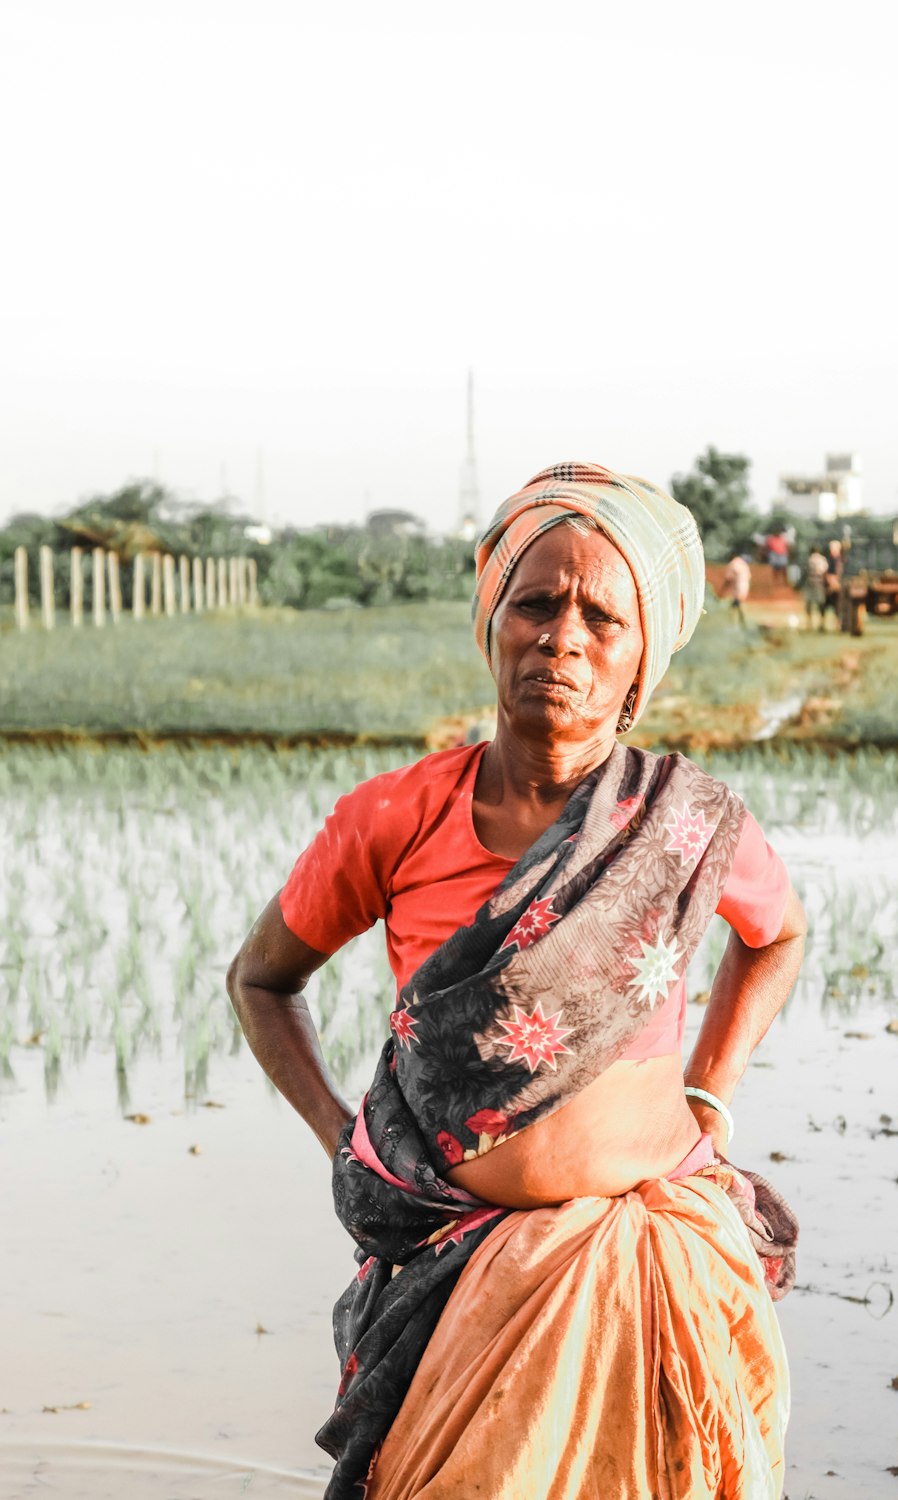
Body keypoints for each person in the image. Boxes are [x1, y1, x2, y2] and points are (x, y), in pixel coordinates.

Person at [228, 462, 806, 1500]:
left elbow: (777, 935)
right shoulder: (393, 819)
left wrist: (712, 1090)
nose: (562, 637)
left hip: (648, 1258)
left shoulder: (681, 824)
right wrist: (342, 1140)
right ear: (492, 625)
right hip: (460, 1273)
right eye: (535, 603)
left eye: (601, 617)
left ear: (640, 668)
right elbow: (262, 980)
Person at [722, 551, 752, 629]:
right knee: (736, 605)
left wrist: (722, 591)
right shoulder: (743, 563)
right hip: (745, 585)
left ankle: (737, 624)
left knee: (738, 605)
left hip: (738, 587)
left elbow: (728, 579)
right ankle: (741, 624)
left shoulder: (732, 564)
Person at [802, 547, 829, 630]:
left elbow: (805, 573)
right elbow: (825, 573)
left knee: (809, 604)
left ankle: (809, 623)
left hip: (809, 585)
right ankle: (822, 623)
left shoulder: (808, 560)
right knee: (821, 604)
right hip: (819, 585)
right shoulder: (823, 560)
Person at [823, 539, 844, 630]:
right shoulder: (832, 559)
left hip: (835, 586)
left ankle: (838, 625)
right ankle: (825, 624)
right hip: (832, 585)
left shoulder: (837, 559)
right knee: (827, 606)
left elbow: (836, 574)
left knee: (838, 607)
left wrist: (833, 584)